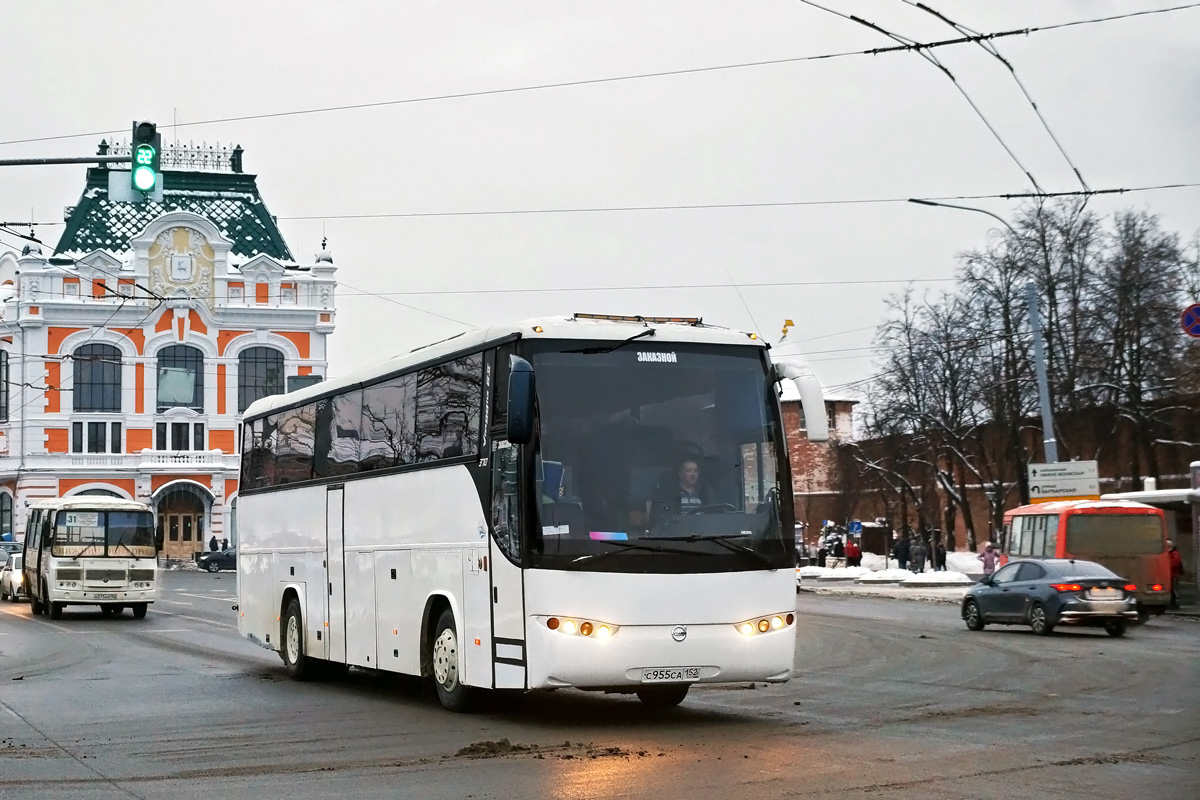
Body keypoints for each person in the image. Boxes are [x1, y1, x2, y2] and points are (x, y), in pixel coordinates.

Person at [647, 456, 709, 523]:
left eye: (695, 470)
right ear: (680, 473)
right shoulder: (667, 496)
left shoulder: (705, 494)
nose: (693, 474)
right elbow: (658, 519)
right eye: (688, 470)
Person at [1168, 540, 1183, 609]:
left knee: (1173, 589)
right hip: (1170, 574)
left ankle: (1175, 602)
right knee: (1171, 589)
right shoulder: (1170, 553)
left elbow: (1175, 562)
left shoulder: (1174, 553)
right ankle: (1172, 602)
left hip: (1173, 574)